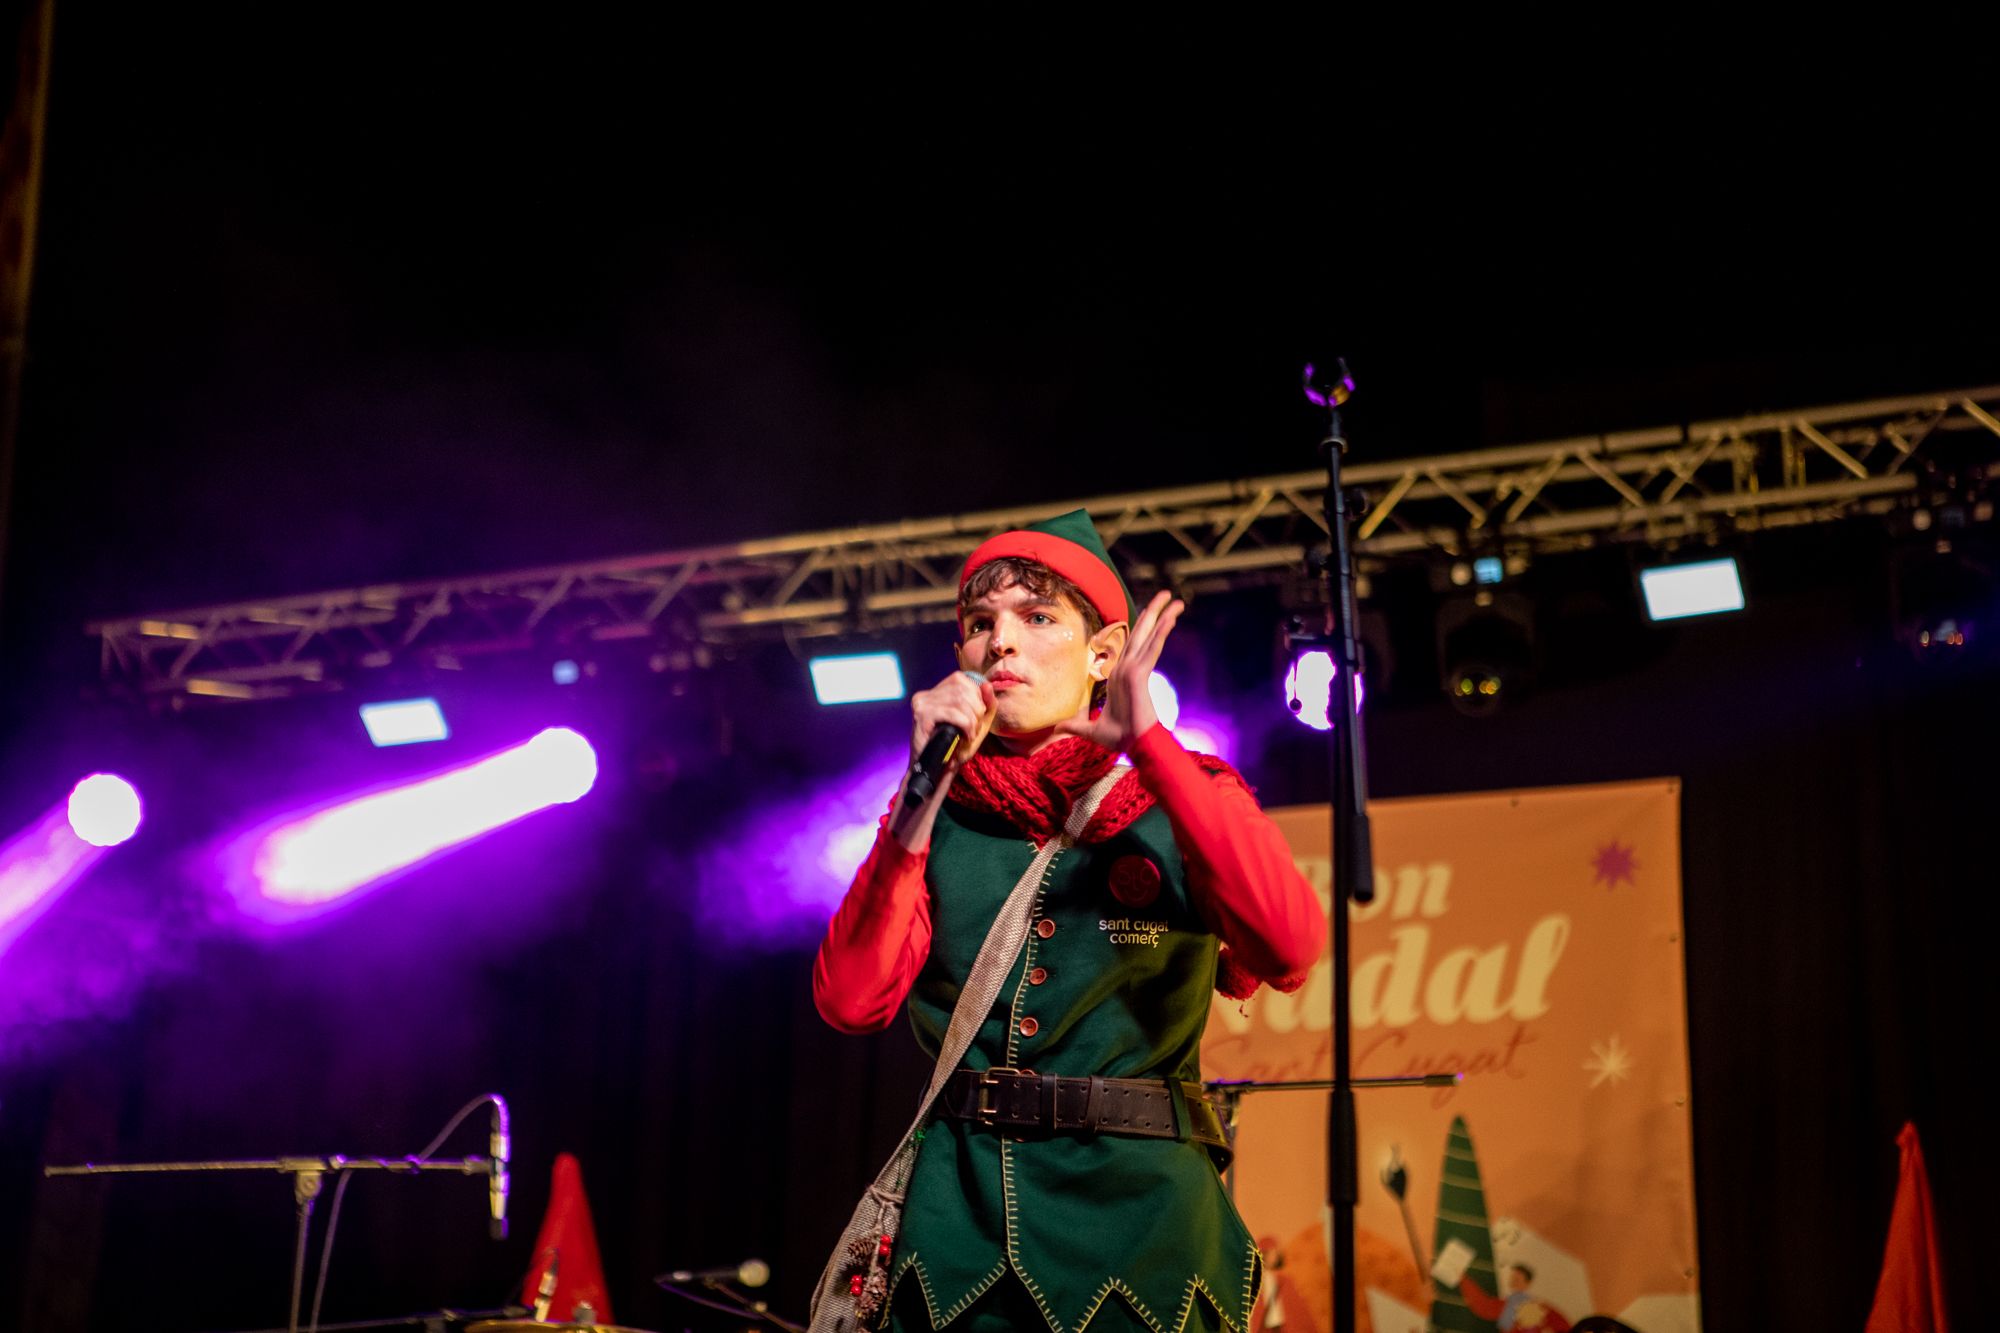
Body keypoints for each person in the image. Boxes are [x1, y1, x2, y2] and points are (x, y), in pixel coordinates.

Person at [814, 509, 1327, 1333]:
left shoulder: (1180, 796)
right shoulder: (929, 816)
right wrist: (919, 788)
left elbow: (1291, 943)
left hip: (1143, 1233)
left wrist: (1151, 744)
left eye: (1037, 616)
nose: (1000, 641)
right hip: (957, 1239)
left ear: (1104, 653)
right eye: (980, 624)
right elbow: (851, 999)